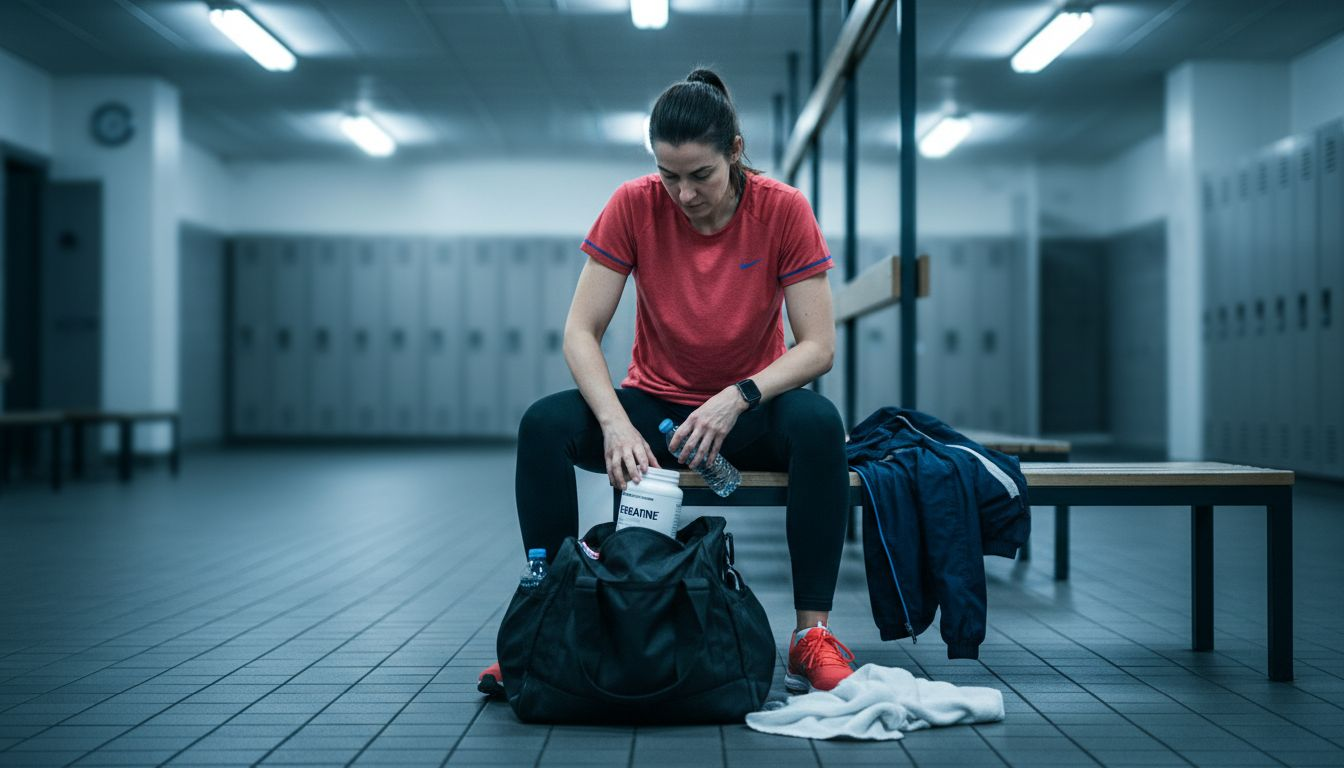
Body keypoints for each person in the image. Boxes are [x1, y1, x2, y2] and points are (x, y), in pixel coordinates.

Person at [479, 68, 855, 697]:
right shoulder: (634, 204)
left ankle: (810, 635)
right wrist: (614, 421)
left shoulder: (783, 210)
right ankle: (550, 621)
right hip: (654, 412)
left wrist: (740, 396)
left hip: (747, 411)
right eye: (668, 175)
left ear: (734, 152)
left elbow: (818, 348)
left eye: (700, 175)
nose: (683, 193)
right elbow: (580, 331)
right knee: (543, 424)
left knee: (819, 425)